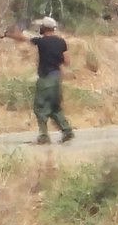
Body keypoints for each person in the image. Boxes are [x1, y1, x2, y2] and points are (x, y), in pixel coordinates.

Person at [10, 15, 74, 144]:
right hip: (57, 78)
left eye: (41, 27)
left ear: (44, 28)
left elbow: (23, 38)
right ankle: (67, 131)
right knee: (55, 107)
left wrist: (10, 35)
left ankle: (44, 136)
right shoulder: (61, 42)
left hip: (46, 78)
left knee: (40, 107)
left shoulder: (41, 41)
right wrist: (56, 59)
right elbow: (67, 61)